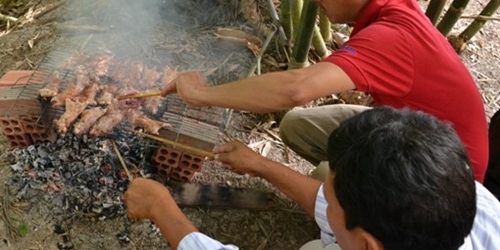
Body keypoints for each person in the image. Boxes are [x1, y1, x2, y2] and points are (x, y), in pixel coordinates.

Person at [160, 0, 489, 182]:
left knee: (324, 181)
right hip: (414, 136)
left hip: (445, 176)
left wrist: (202, 95)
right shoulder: (393, 1)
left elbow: (296, 90)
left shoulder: (391, 37)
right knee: (296, 126)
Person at [123, 107, 500, 249]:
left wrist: (161, 207)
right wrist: (262, 165)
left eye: (331, 201)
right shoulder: (470, 198)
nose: (324, 198)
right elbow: (330, 204)